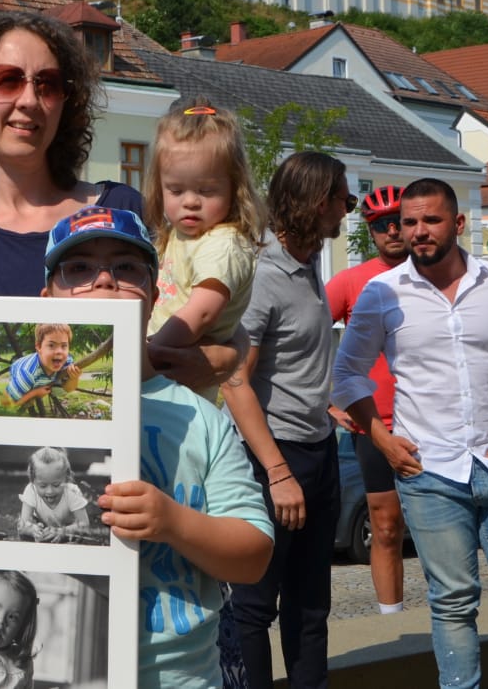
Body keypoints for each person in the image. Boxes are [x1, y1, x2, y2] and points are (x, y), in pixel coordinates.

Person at [0, 12, 240, 391]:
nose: (29, 100)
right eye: (7, 80)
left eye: (48, 84)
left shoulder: (125, 211)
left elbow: (220, 313)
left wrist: (230, 356)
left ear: (66, 103)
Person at [333, 178, 488, 689]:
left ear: (458, 224)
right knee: (453, 605)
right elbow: (347, 374)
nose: (417, 232)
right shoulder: (381, 293)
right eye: (408, 222)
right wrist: (382, 437)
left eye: (430, 221)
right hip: (428, 470)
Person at [44, 205, 272, 688]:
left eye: (126, 268)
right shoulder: (16, 411)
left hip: (181, 678)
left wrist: (173, 522)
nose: (104, 280)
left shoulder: (201, 418)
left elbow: (253, 557)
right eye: (78, 269)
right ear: (47, 297)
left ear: (153, 294)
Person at [221, 152, 353, 689]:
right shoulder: (263, 273)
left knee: (312, 607)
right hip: (273, 458)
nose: (352, 205)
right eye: (345, 195)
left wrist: (322, 402)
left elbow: (290, 363)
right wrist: (276, 472)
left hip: (318, 449)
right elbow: (235, 380)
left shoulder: (309, 261)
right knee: (256, 606)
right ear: (320, 201)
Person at [141, 98, 264, 397]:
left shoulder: (223, 243)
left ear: (235, 189)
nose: (191, 201)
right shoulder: (179, 236)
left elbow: (202, 314)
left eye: (206, 190)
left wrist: (147, 354)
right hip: (164, 377)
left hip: (181, 387)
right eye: (176, 189)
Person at [324, 185, 409, 615]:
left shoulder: (437, 273)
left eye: (399, 221)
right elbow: (301, 337)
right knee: (386, 526)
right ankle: (389, 619)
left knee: (447, 526)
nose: (392, 231)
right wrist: (327, 403)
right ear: (371, 232)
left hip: (433, 422)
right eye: (381, 225)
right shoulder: (352, 281)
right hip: (374, 425)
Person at [18, 446, 103, 544]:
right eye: (42, 486)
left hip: (68, 528)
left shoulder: (71, 492)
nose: (49, 491)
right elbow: (22, 525)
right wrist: (33, 530)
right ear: (33, 480)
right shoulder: (31, 490)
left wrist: (63, 531)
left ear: (66, 479)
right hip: (43, 527)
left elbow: (84, 525)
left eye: (56, 485)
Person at [2, 322, 81, 414]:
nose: (59, 351)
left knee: (59, 390)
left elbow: (69, 389)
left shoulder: (67, 361)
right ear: (39, 347)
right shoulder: (28, 374)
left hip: (43, 377)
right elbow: (6, 402)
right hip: (21, 375)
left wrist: (74, 378)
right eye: (51, 345)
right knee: (23, 391)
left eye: (64, 346)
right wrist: (35, 393)